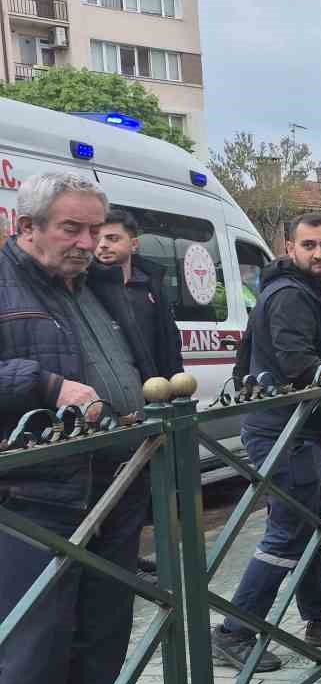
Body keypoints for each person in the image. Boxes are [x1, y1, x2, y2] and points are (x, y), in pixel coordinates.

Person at [0, 174, 170, 684]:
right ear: (28, 228)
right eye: (70, 228)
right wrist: (43, 386)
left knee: (103, 627)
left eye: (94, 229)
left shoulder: (102, 284)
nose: (86, 241)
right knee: (34, 636)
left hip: (117, 481)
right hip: (35, 491)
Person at [214, 214, 321, 674]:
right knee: (288, 532)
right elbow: (298, 363)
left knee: (310, 526)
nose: (319, 253)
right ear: (290, 247)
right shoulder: (290, 295)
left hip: (310, 428)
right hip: (283, 429)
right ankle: (234, 630)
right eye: (309, 245)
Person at [92, 209, 185, 580]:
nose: (102, 246)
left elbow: (168, 339)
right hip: (118, 404)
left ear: (133, 243)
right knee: (117, 487)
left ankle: (145, 557)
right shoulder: (92, 285)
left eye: (111, 238)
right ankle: (118, 563)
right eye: (98, 238)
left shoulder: (150, 284)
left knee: (151, 485)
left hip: (157, 399)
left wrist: (175, 383)